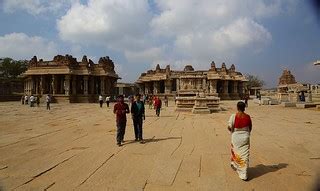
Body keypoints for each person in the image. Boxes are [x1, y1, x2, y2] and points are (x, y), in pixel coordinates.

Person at [228, 101, 252, 181]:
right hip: (245, 136)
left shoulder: (233, 116)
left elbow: (229, 127)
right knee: (244, 154)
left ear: (237, 107)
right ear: (244, 108)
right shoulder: (248, 116)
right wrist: (246, 133)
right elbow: (250, 127)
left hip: (236, 137)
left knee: (236, 152)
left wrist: (232, 131)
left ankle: (235, 165)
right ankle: (244, 173)